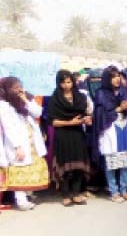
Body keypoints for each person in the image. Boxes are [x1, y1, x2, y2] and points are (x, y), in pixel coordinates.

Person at [0, 77, 48, 210]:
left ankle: (28, 194)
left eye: (19, 86)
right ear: (6, 89)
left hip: (32, 140)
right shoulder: (4, 104)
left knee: (31, 167)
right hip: (18, 143)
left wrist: (25, 99)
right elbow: (8, 127)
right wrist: (17, 147)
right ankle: (21, 201)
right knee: (19, 170)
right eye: (14, 88)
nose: (18, 90)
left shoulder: (26, 99)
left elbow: (38, 112)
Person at [48, 70, 91, 206]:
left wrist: (87, 119)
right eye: (63, 82)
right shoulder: (55, 99)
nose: (66, 85)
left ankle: (76, 194)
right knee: (65, 167)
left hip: (77, 134)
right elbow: (53, 122)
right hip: (63, 135)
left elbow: (85, 114)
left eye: (69, 82)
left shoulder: (79, 97)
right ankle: (66, 195)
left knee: (78, 165)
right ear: (58, 83)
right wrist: (70, 122)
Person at [93, 66, 127, 202]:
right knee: (111, 161)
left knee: (124, 161)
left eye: (118, 76)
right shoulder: (101, 93)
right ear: (107, 79)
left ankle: (123, 189)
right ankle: (113, 191)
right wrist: (119, 108)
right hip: (109, 130)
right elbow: (101, 114)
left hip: (123, 128)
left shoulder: (123, 91)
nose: (117, 79)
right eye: (113, 76)